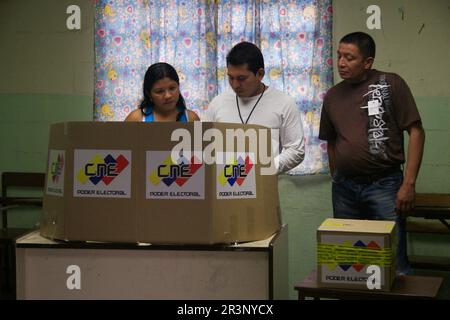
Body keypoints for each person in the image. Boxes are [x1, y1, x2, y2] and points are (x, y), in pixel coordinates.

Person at [319, 32, 425, 275]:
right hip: (345, 188)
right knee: (350, 266)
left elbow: (417, 132)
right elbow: (331, 139)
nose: (341, 63)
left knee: (393, 263)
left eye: (349, 57)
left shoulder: (391, 84)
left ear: (367, 62)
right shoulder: (333, 96)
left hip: (385, 186)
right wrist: (336, 174)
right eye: (339, 56)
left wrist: (408, 184)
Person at [205, 41, 305, 173]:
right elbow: (205, 146)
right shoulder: (217, 103)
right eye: (230, 78)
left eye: (241, 78)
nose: (235, 85)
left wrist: (263, 168)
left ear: (260, 74)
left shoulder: (284, 103)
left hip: (264, 186)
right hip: (223, 185)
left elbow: (296, 150)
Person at [125, 62, 200, 122]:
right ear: (149, 94)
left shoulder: (192, 119)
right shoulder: (136, 119)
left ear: (178, 86)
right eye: (159, 91)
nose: (168, 96)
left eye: (172, 88)